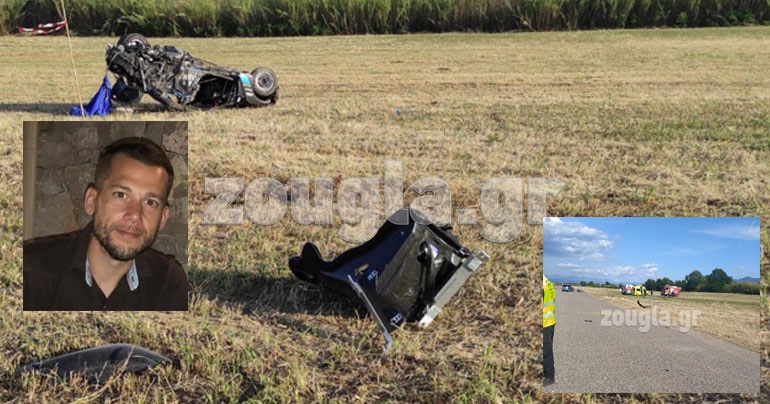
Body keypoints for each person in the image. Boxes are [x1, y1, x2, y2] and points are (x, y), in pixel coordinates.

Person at [24, 137, 187, 311]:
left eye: (150, 203)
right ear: (91, 201)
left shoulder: (168, 283)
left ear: (163, 218)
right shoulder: (30, 269)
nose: (134, 215)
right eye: (121, 195)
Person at [543, 274, 556, 386]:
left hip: (545, 323)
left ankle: (549, 377)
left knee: (546, 352)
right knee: (546, 350)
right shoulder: (547, 281)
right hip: (549, 321)